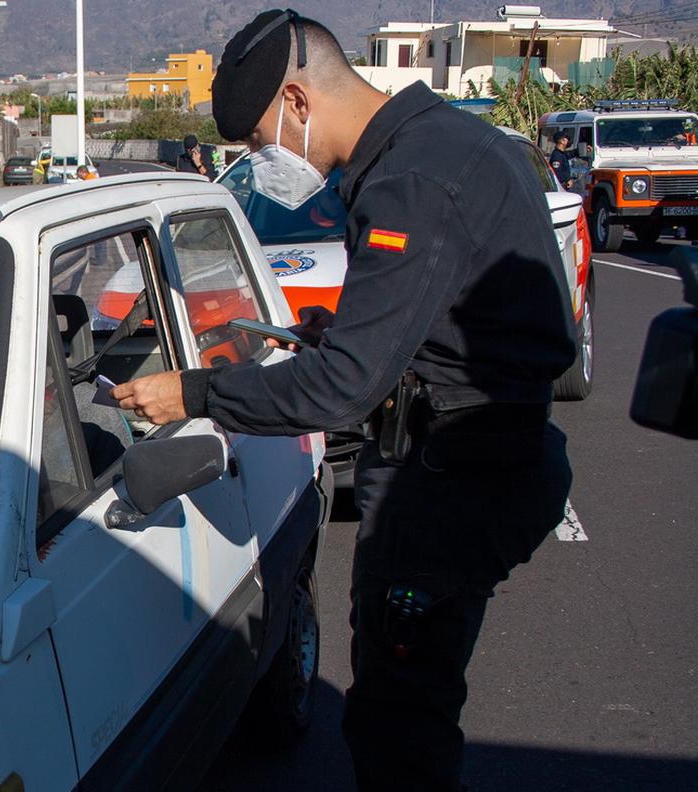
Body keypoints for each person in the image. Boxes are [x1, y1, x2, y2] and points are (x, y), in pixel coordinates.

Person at [110, 10, 574, 791]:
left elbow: (340, 391)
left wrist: (192, 392)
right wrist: (350, 331)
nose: (263, 164)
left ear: (296, 102)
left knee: (399, 728)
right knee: (409, 713)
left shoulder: (409, 180)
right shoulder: (447, 144)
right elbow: (459, 319)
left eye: (258, 143)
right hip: (481, 459)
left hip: (452, 480)